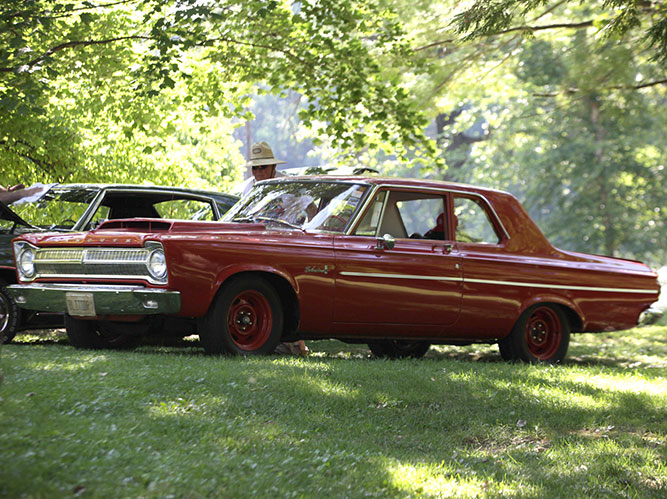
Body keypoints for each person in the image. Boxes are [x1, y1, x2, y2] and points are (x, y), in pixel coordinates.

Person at [234, 142, 309, 356]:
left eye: (263, 167)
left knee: (288, 291)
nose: (258, 172)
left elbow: (311, 210)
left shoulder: (289, 185)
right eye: (255, 168)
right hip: (259, 244)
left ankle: (296, 343)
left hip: (286, 244)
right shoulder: (250, 187)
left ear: (273, 167)